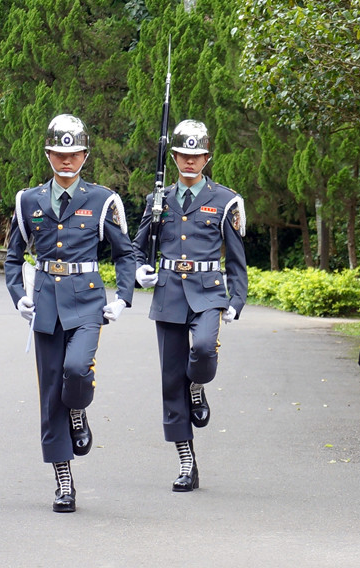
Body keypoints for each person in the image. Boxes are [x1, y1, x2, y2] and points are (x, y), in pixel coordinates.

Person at [4, 114, 135, 513]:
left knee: (76, 371)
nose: (66, 160)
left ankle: (78, 410)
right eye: (59, 153)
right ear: (48, 154)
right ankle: (63, 480)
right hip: (44, 304)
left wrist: (123, 298)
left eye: (73, 153)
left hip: (87, 302)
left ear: (85, 155)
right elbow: (13, 257)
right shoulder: (29, 201)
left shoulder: (102, 200)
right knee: (49, 395)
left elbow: (124, 253)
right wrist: (17, 296)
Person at [132, 119, 247, 492]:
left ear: (207, 158)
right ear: (175, 156)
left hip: (208, 291)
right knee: (170, 381)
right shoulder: (157, 199)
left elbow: (236, 259)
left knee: (201, 350)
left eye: (197, 156)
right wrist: (139, 270)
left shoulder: (224, 199)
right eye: (183, 155)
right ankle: (186, 461)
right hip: (168, 293)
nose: (189, 162)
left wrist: (237, 299)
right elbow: (135, 247)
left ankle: (198, 385)